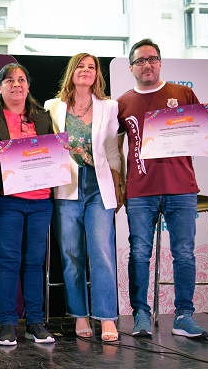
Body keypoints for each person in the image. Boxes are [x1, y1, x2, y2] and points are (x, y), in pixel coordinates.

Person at [117, 38, 208, 339]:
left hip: (181, 188)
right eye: (140, 60)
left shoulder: (182, 93)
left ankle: (183, 316)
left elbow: (205, 129)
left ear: (160, 62)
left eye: (152, 59)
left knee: (184, 253)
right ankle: (141, 314)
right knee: (139, 254)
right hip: (140, 190)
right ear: (131, 67)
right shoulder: (122, 103)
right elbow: (109, 144)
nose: (147, 64)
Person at [44, 53, 123, 342]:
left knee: (101, 251)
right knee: (71, 254)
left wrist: (119, 184)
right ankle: (79, 315)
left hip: (98, 186)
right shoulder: (52, 106)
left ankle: (107, 317)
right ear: (72, 71)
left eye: (92, 67)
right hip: (66, 187)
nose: (86, 70)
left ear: (97, 75)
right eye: (81, 66)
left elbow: (112, 149)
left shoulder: (109, 106)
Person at [0, 63, 56, 346]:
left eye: (21, 80)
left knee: (35, 263)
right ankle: (8, 324)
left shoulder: (43, 117)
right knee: (8, 263)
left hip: (41, 201)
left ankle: (35, 322)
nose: (16, 85)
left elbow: (52, 153)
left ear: (28, 86)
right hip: (7, 201)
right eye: (9, 80)